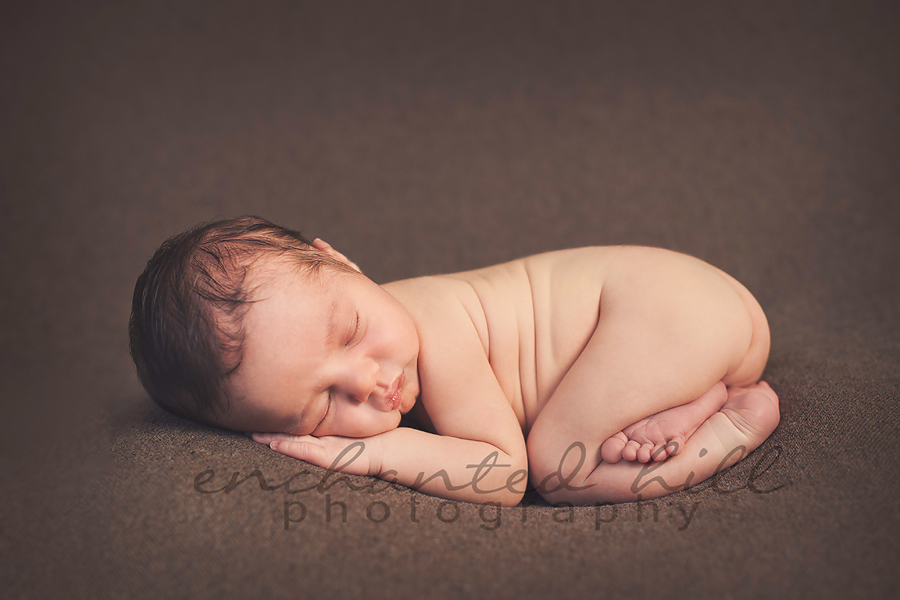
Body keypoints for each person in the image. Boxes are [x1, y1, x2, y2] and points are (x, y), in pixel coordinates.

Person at [130, 216, 779, 506]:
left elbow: (501, 474)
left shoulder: (432, 318)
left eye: (352, 329)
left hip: (663, 309)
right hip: (688, 323)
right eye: (324, 404)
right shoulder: (384, 348)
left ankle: (731, 426)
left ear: (343, 262)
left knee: (560, 470)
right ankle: (693, 397)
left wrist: (374, 453)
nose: (371, 381)